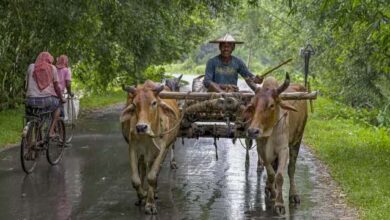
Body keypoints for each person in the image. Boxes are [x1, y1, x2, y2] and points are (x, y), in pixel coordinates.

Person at [25, 51, 65, 137]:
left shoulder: (31, 67)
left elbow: (26, 84)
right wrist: (61, 98)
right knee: (58, 106)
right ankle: (50, 132)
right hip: (45, 100)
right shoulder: (52, 68)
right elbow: (57, 87)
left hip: (30, 100)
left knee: (30, 117)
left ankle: (28, 143)